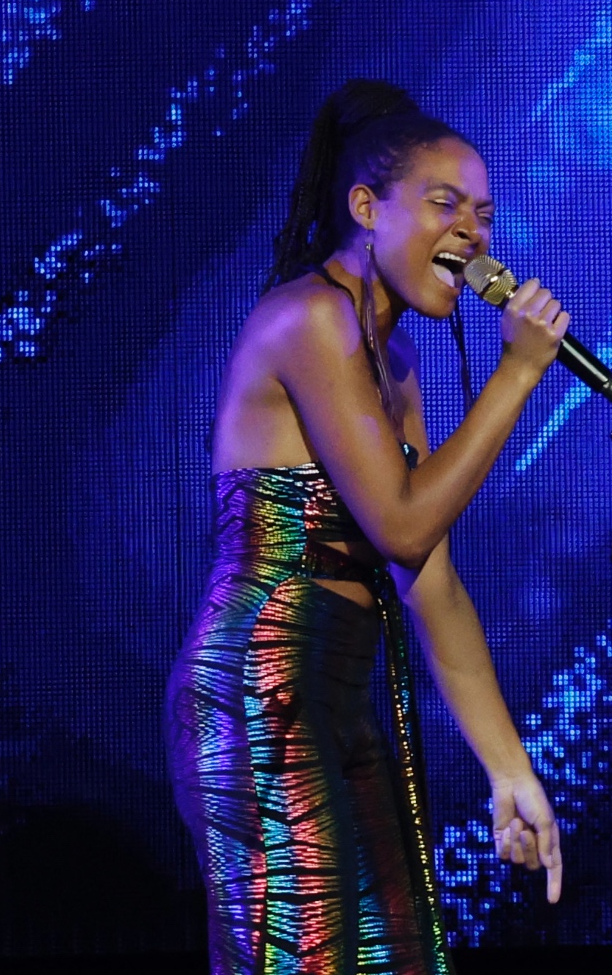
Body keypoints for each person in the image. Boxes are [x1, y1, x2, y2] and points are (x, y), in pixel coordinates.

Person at [166, 79, 566, 974]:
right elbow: (397, 526)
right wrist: (514, 378)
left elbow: (433, 584)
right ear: (365, 209)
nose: (473, 233)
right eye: (444, 204)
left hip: (339, 701)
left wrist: (511, 772)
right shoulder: (310, 318)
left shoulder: (398, 363)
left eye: (485, 214)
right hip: (260, 692)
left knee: (401, 957)